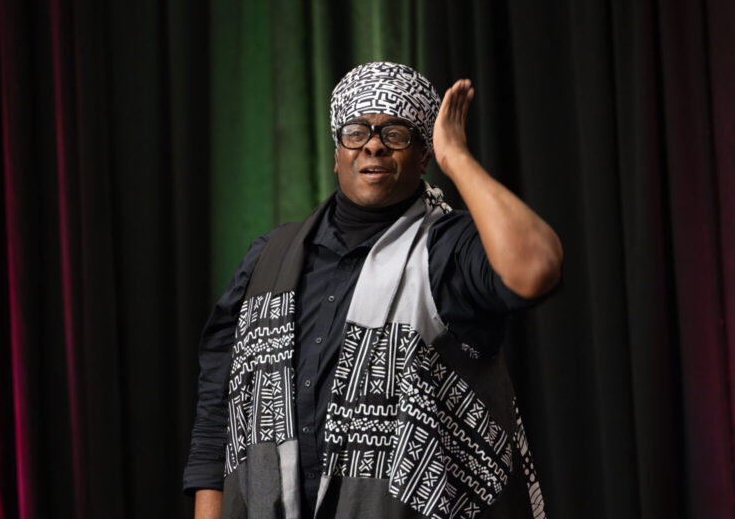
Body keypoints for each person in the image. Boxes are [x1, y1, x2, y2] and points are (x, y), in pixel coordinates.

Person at [183, 62, 562, 519]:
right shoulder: (269, 257)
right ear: (337, 151)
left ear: (424, 156)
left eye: (397, 133)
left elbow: (535, 269)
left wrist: (458, 159)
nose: (374, 144)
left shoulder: (446, 248)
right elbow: (216, 412)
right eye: (357, 130)